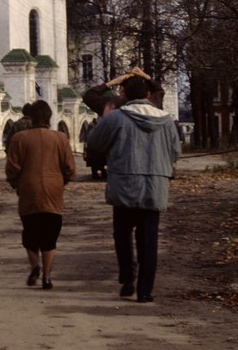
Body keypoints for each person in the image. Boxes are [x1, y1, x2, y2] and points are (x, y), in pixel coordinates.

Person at [85, 73, 182, 303]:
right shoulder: (166, 120)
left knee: (122, 234)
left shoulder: (116, 118)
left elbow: (95, 143)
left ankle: (128, 277)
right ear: (148, 95)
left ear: (125, 95)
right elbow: (175, 152)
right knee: (149, 239)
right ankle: (145, 290)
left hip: (124, 184)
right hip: (154, 185)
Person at [4, 99, 76, 290]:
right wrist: (62, 181)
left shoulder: (19, 138)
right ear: (49, 116)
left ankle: (35, 266)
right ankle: (47, 276)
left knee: (30, 231)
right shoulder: (60, 138)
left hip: (28, 189)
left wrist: (17, 184)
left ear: (31, 117)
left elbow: (12, 168)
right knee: (50, 235)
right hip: (54, 190)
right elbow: (69, 167)